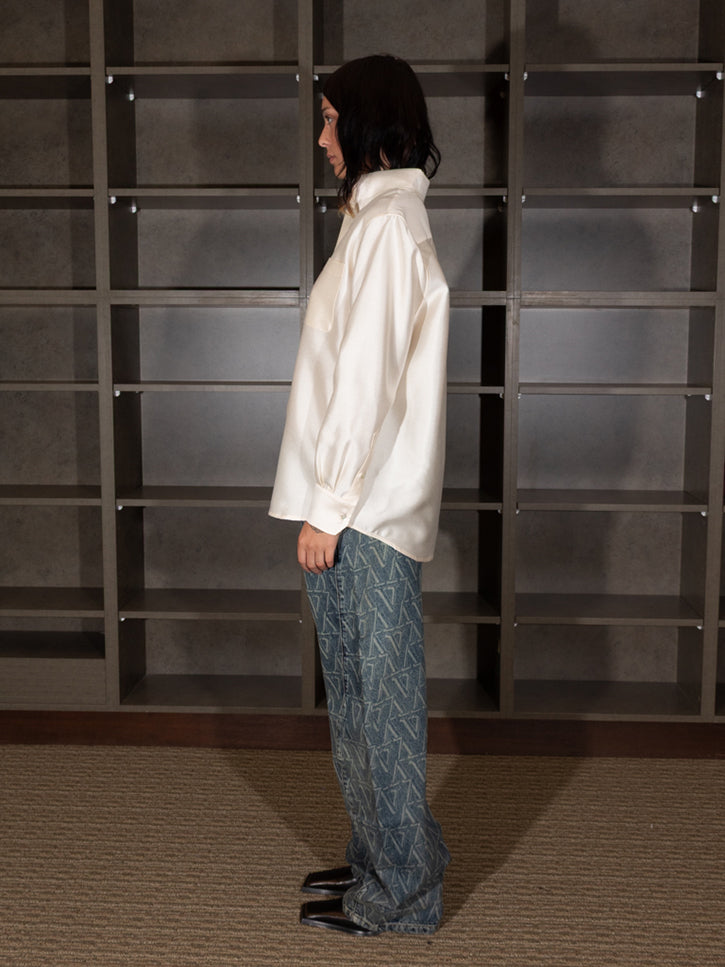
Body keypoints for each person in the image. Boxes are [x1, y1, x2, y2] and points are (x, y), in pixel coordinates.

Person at [269, 53, 451, 937]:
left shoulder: (385, 228)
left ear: (372, 120)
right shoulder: (371, 221)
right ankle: (378, 858)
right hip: (355, 504)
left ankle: (405, 895)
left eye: (332, 119)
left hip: (364, 510)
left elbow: (365, 381)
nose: (322, 138)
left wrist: (328, 505)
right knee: (353, 692)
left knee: (380, 700)